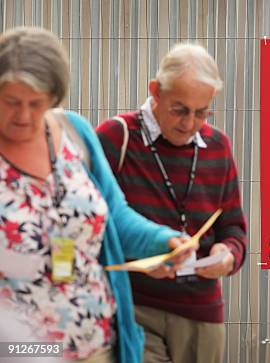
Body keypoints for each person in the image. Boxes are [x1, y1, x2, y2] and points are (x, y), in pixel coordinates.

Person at [0, 27, 195, 363]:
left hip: (99, 344)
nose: (24, 116)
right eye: (11, 102)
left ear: (54, 97)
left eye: (36, 103)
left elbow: (115, 215)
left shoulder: (75, 134)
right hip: (22, 352)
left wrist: (163, 241)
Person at [96, 43, 247, 363]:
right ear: (155, 91)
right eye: (179, 109)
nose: (190, 123)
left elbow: (233, 226)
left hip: (202, 313)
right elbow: (92, 223)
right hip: (134, 305)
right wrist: (139, 255)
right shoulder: (116, 137)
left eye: (202, 112)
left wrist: (228, 255)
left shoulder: (218, 146)